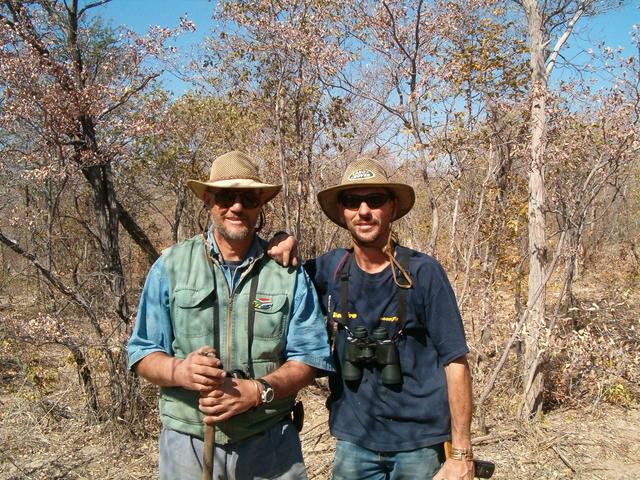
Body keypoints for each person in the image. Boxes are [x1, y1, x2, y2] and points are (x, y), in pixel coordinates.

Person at [127, 150, 333, 480]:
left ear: (260, 205)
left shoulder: (286, 273)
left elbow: (310, 358)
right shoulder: (171, 266)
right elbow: (141, 351)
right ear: (208, 200)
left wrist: (257, 391)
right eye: (226, 196)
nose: (237, 206)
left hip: (270, 440)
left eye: (248, 197)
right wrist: (180, 371)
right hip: (188, 441)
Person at [270, 158, 474, 480]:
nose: (363, 210)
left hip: (419, 446)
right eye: (352, 201)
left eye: (375, 200)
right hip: (353, 442)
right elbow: (281, 278)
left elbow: (456, 361)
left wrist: (461, 454)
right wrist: (281, 238)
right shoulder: (330, 269)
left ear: (392, 208)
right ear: (341, 212)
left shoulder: (423, 272)